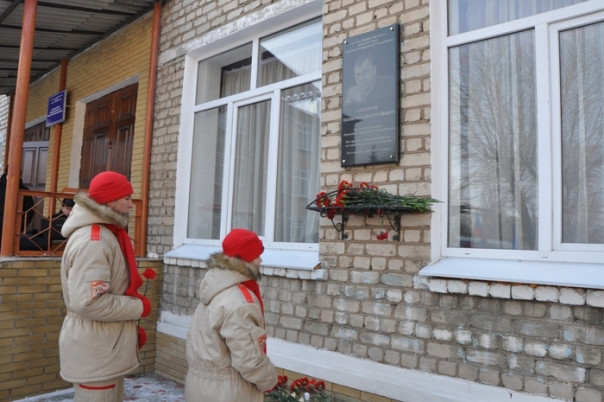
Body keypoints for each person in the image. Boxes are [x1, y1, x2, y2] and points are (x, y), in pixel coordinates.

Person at [58, 171, 152, 401]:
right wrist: (138, 307)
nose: (131, 205)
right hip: (97, 351)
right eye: (126, 198)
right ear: (110, 201)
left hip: (104, 348)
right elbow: (90, 303)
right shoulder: (95, 241)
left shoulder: (105, 234)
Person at [185, 228, 278, 402]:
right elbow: (249, 360)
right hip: (229, 392)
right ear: (245, 258)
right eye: (256, 255)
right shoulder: (238, 301)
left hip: (201, 387)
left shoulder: (215, 290)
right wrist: (270, 381)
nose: (260, 260)